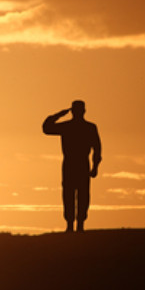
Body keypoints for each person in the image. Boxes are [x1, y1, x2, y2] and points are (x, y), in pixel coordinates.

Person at [43, 100, 102, 233]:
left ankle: (78, 224)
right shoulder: (82, 127)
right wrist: (59, 115)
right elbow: (46, 129)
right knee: (72, 194)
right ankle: (72, 224)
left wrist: (95, 166)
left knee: (80, 195)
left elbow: (97, 148)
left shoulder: (81, 127)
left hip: (78, 163)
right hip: (72, 163)